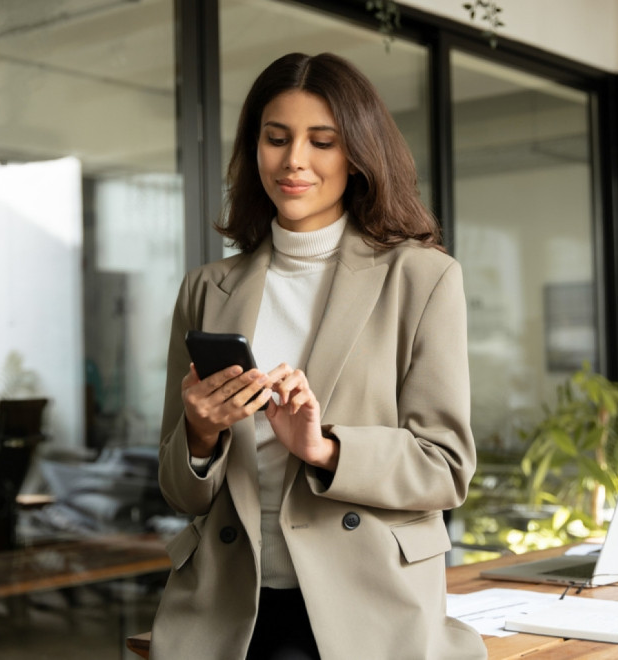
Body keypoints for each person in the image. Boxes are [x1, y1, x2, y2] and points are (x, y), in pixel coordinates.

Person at [152, 52, 485, 660]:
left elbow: (445, 467)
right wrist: (199, 435)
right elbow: (180, 494)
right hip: (228, 608)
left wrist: (326, 449)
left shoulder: (422, 278)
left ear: (356, 155)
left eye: (322, 141)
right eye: (276, 138)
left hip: (368, 606)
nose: (293, 161)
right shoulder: (206, 288)